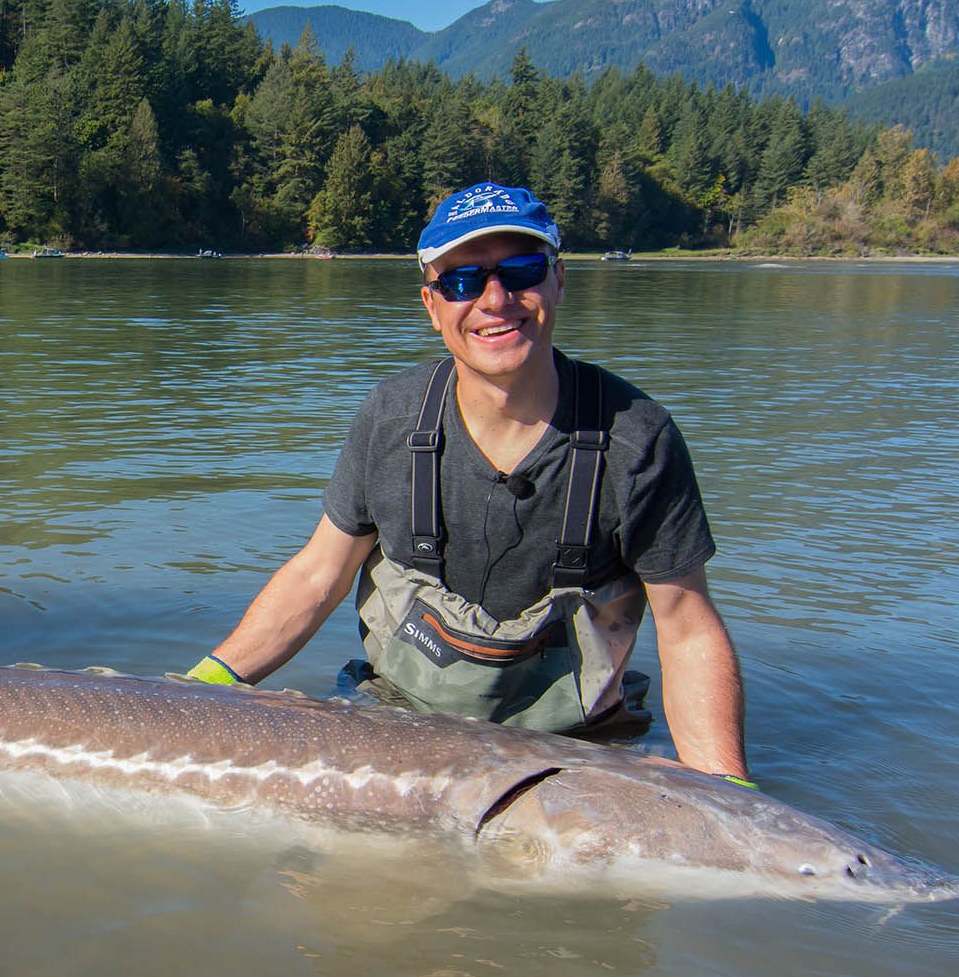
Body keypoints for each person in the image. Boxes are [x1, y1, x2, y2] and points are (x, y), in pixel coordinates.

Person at [185, 183, 750, 781]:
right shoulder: (391, 417)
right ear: (433, 306)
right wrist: (205, 686)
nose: (495, 299)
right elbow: (317, 576)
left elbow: (687, 627)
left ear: (558, 280)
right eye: (463, 281)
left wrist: (731, 793)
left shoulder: (639, 440)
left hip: (577, 755)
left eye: (521, 270)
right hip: (396, 723)